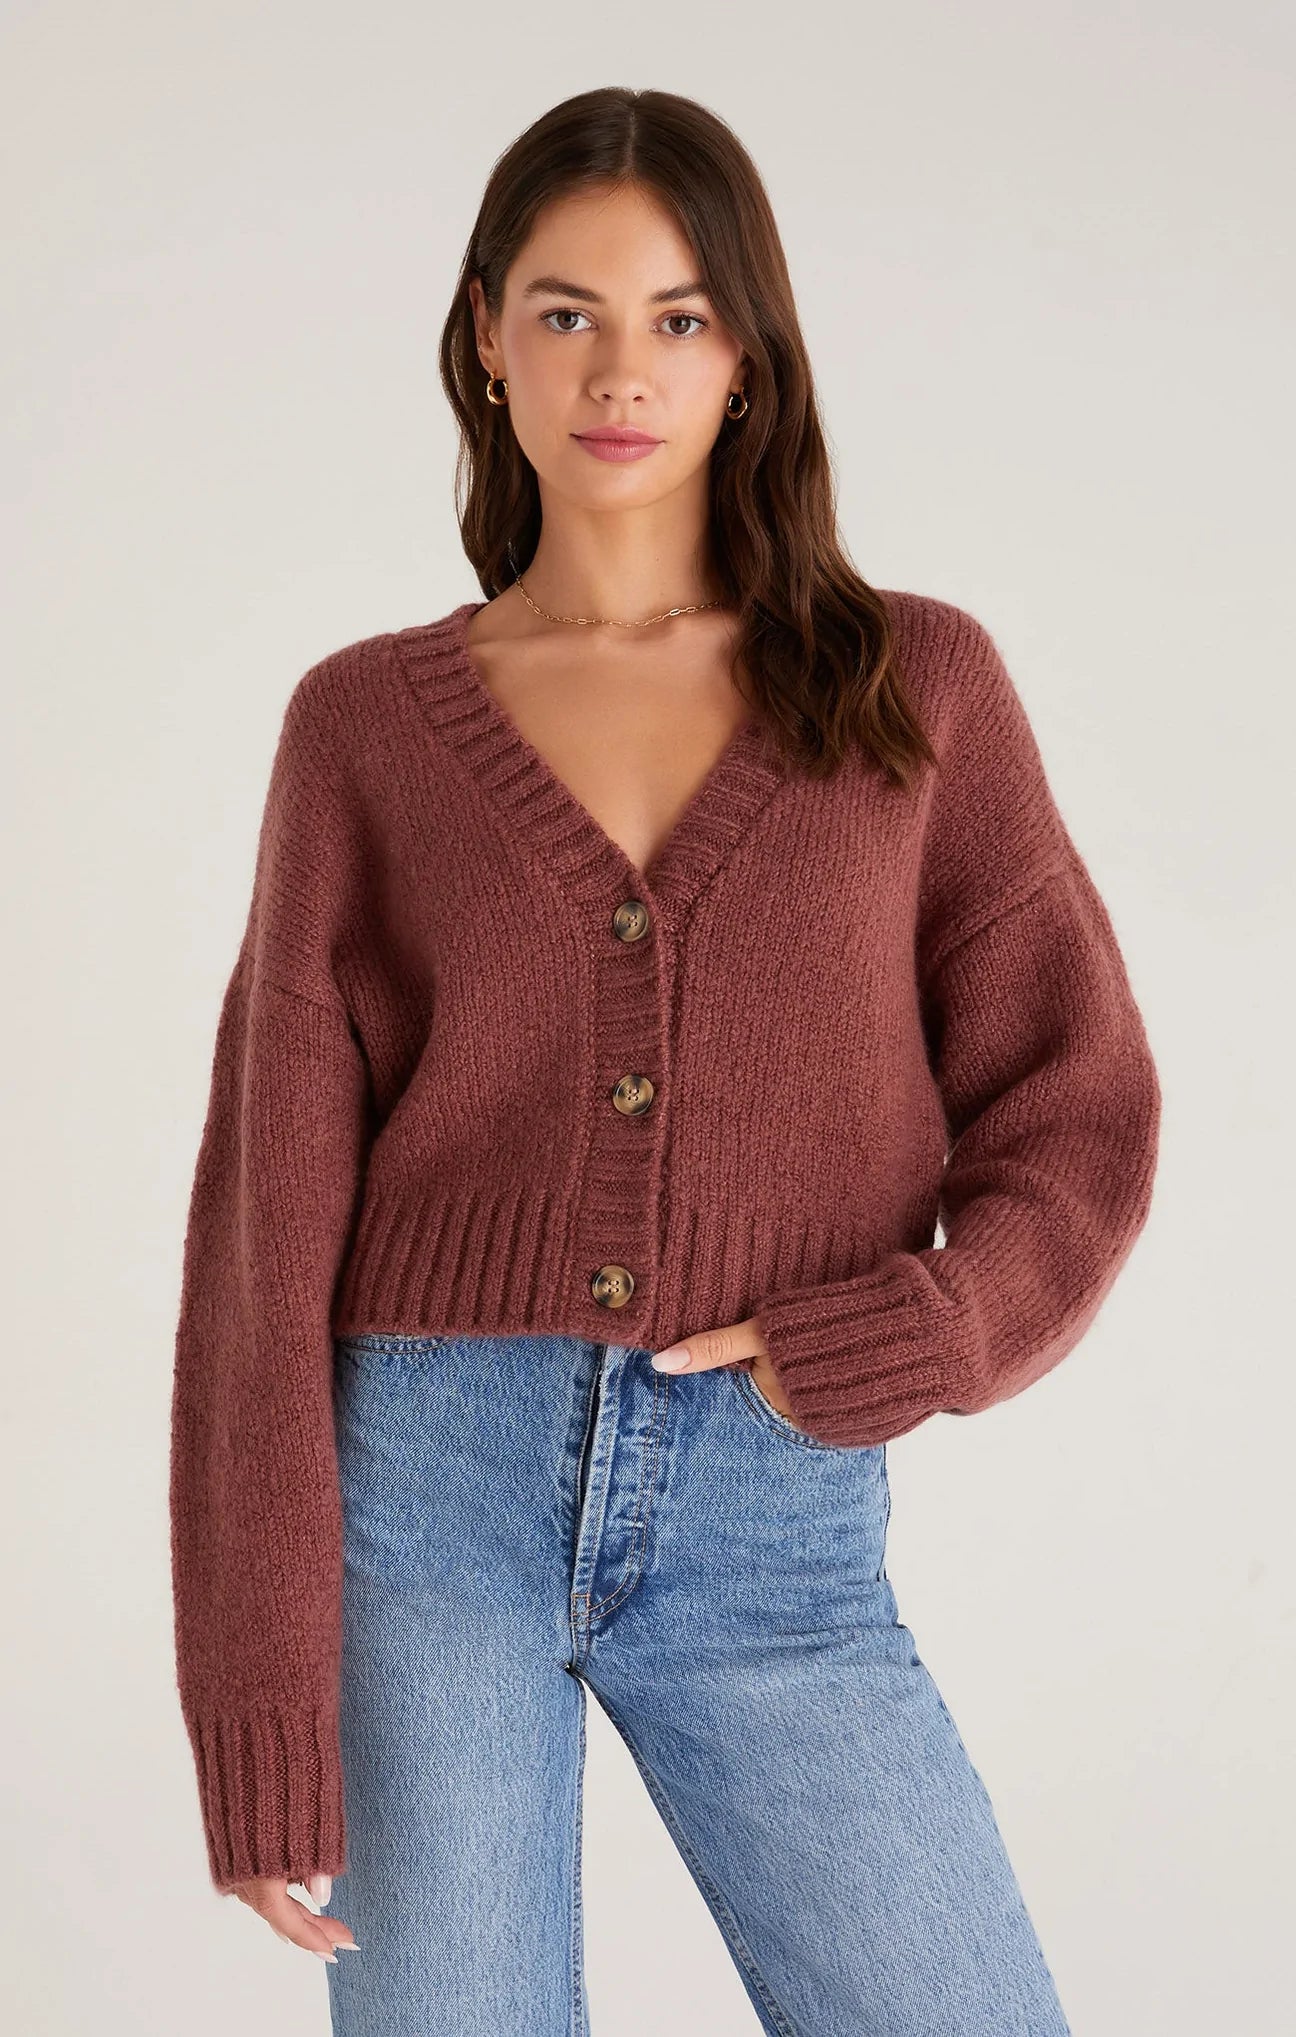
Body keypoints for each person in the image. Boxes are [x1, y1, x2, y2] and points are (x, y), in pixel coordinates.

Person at [168, 86, 1160, 2036]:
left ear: (749, 357)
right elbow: (264, 1244)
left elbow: (1076, 1104)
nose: (621, 369)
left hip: (777, 1507)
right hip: (426, 1503)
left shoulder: (914, 689)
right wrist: (262, 1697)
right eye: (568, 312)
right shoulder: (362, 728)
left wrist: (923, 1329)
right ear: (485, 336)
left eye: (681, 317)